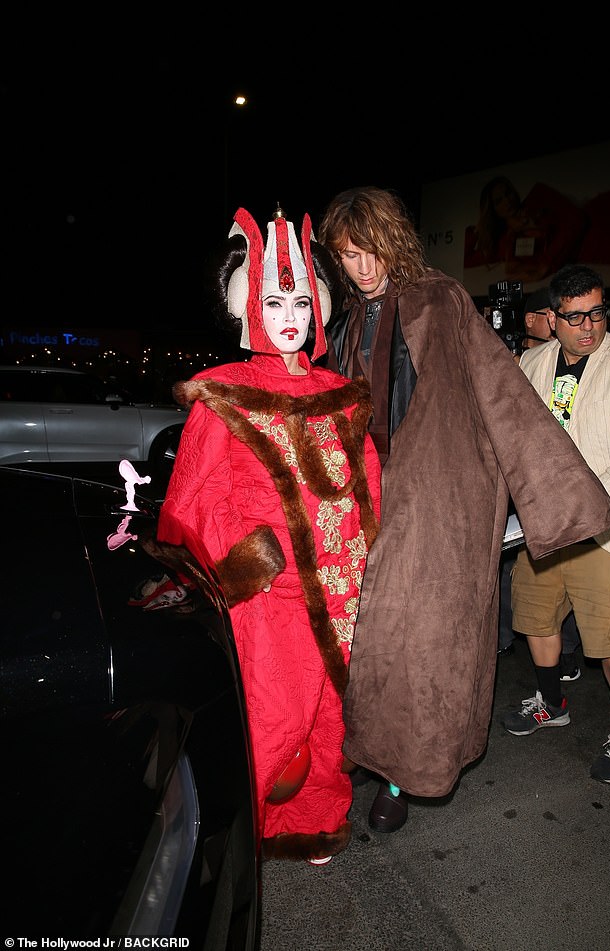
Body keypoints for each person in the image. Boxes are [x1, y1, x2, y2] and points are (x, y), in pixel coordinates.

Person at [318, 186, 610, 833]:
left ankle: (403, 775)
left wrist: (561, 496)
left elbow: (505, 394)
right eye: (347, 254)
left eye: (368, 248)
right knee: (367, 646)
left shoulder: (439, 299)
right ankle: (366, 752)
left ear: (391, 240)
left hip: (437, 505)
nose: (362, 265)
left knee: (424, 649)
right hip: (368, 508)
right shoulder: (345, 323)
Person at [155, 206, 382, 862]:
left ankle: (316, 820)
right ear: (249, 303)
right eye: (275, 299)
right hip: (270, 598)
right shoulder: (224, 393)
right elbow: (191, 503)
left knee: (330, 718)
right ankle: (237, 834)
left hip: (343, 592)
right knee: (270, 721)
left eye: (302, 300)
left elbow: (367, 482)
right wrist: (249, 563)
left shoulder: (340, 391)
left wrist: (371, 552)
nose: (291, 314)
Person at [503, 264, 610, 785]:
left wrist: (583, 504)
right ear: (551, 319)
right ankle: (550, 701)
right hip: (542, 524)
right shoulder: (531, 362)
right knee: (536, 613)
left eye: (597, 313)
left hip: (605, 524)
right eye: (575, 316)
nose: (589, 326)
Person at [497, 287, 582, 681]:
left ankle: (568, 655)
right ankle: (543, 679)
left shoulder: (586, 360)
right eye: (550, 314)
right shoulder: (525, 361)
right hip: (528, 495)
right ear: (532, 319)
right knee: (526, 582)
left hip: (574, 493)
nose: (554, 321)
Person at [463, 176, 587, 282]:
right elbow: (465, 259)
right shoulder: (502, 243)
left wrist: (546, 264)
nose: (507, 201)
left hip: (594, 228)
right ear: (492, 210)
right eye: (498, 201)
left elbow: (576, 219)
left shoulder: (539, 195)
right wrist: (477, 230)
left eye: (508, 193)